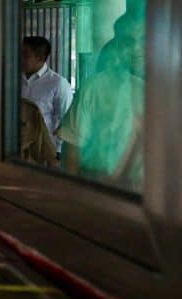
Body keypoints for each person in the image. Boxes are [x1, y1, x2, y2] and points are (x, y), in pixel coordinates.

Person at [58, 8, 145, 191]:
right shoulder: (95, 88)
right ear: (118, 45)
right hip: (102, 196)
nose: (136, 49)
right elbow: (72, 152)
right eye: (128, 42)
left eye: (144, 40)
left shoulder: (176, 92)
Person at [21, 36, 73, 154]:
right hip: (17, 149)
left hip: (45, 152)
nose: (20, 58)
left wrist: (56, 152)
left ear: (39, 58)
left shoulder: (58, 83)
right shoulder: (13, 79)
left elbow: (66, 122)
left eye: (25, 55)